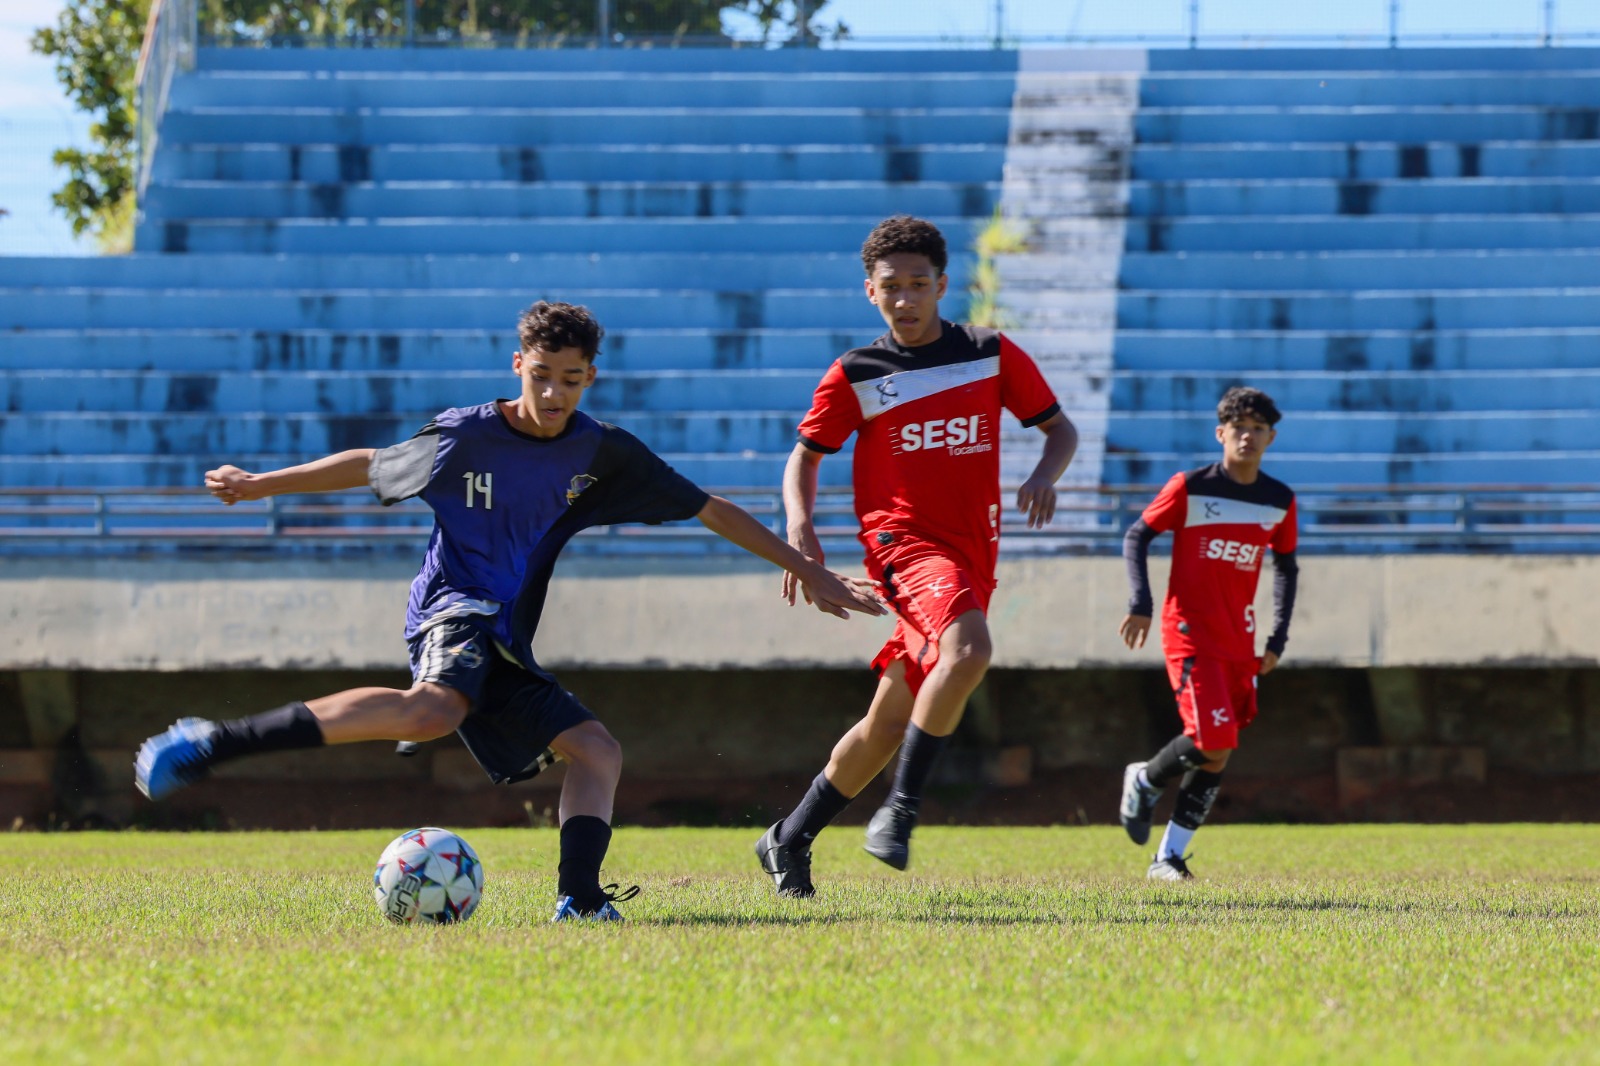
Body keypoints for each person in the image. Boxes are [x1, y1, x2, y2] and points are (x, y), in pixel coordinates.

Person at [134, 300, 884, 921]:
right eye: (542, 376)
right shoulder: (463, 435)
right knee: (431, 712)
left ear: (591, 378)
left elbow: (709, 508)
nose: (555, 395)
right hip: (452, 610)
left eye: (571, 380)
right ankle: (216, 741)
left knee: (597, 751)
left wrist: (807, 570)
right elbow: (368, 464)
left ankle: (581, 902)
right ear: (517, 366)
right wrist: (260, 484)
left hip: (505, 640)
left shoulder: (600, 451)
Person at [754, 215, 1079, 895]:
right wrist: (800, 527)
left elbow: (1059, 429)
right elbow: (804, 458)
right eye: (891, 287)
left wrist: (1045, 473)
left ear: (942, 286)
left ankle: (790, 837)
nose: (905, 299)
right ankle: (899, 813)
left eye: (918, 285)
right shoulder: (857, 373)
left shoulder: (989, 352)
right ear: (869, 292)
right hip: (904, 548)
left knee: (889, 720)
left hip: (972, 553)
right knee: (969, 652)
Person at [1117, 386, 1299, 881]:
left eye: (1258, 429)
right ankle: (1145, 778)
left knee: (1219, 750)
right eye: (1239, 427)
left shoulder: (1279, 500)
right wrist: (1142, 602)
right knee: (1211, 736)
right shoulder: (1191, 488)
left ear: (1271, 437)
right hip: (1190, 634)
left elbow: (1286, 567)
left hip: (1240, 641)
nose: (1248, 436)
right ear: (1221, 434)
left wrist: (1277, 639)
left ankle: (1168, 858)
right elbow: (1138, 534)